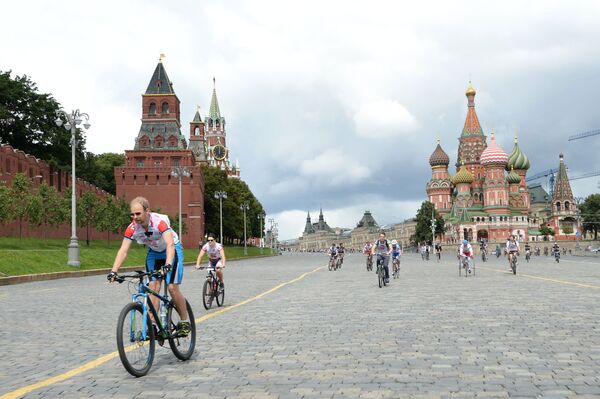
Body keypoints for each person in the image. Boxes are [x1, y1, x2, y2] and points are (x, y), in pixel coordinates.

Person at [107, 196, 190, 336]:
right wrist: (113, 271)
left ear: (147, 211)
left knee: (171, 287)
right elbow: (123, 250)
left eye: (138, 213)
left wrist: (168, 265)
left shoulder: (159, 222)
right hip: (154, 253)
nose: (135, 217)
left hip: (172, 250)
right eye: (132, 214)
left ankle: (184, 321)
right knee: (153, 287)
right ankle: (153, 325)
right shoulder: (132, 228)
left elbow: (170, 244)